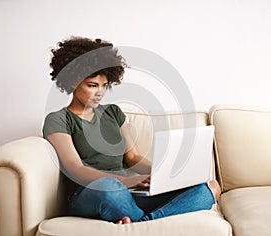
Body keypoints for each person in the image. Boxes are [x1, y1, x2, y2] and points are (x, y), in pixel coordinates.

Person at [42, 36, 221, 224]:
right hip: (94, 193)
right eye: (92, 86)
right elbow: (75, 168)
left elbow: (133, 157)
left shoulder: (113, 112)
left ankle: (142, 222)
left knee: (209, 186)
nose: (100, 93)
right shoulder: (58, 119)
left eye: (104, 86)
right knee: (109, 187)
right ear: (73, 82)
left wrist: (165, 174)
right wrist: (123, 182)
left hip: (130, 192)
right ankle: (148, 221)